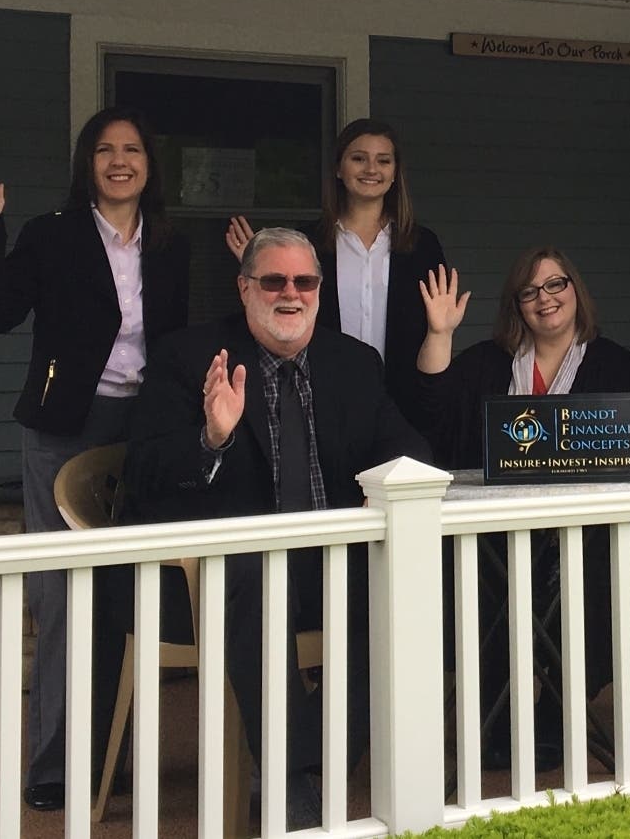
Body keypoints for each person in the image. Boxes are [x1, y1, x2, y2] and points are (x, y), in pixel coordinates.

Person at [120, 227, 429, 829]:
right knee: (257, 578)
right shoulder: (190, 359)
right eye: (273, 280)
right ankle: (296, 786)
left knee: (403, 582)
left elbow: (405, 448)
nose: (290, 293)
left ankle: (297, 764)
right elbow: (142, 473)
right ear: (244, 289)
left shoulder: (354, 365)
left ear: (318, 289)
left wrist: (412, 486)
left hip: (329, 560)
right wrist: (212, 437)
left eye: (304, 281)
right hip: (223, 576)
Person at [0, 106, 190, 811]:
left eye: (134, 149)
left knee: (125, 595)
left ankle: (110, 754)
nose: (120, 161)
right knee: (61, 596)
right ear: (87, 163)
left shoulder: (171, 244)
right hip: (64, 427)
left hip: (142, 430)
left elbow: (176, 339)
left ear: (150, 165)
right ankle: (54, 765)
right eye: (105, 150)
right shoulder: (51, 236)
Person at [416, 247, 630, 769]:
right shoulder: (486, 362)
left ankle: (558, 706)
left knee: (609, 573)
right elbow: (431, 410)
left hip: (585, 535)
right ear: (516, 306)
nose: (544, 299)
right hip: (496, 535)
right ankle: (493, 712)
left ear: (576, 292)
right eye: (529, 292)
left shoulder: (615, 363)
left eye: (555, 285)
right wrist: (440, 334)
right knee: (473, 578)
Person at [225, 118, 444, 428]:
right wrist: (260, 267)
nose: (371, 168)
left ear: (395, 173)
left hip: (402, 399)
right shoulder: (308, 242)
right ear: (339, 169)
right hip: (321, 393)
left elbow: (436, 328)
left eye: (383, 160)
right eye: (359, 158)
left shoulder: (423, 246)